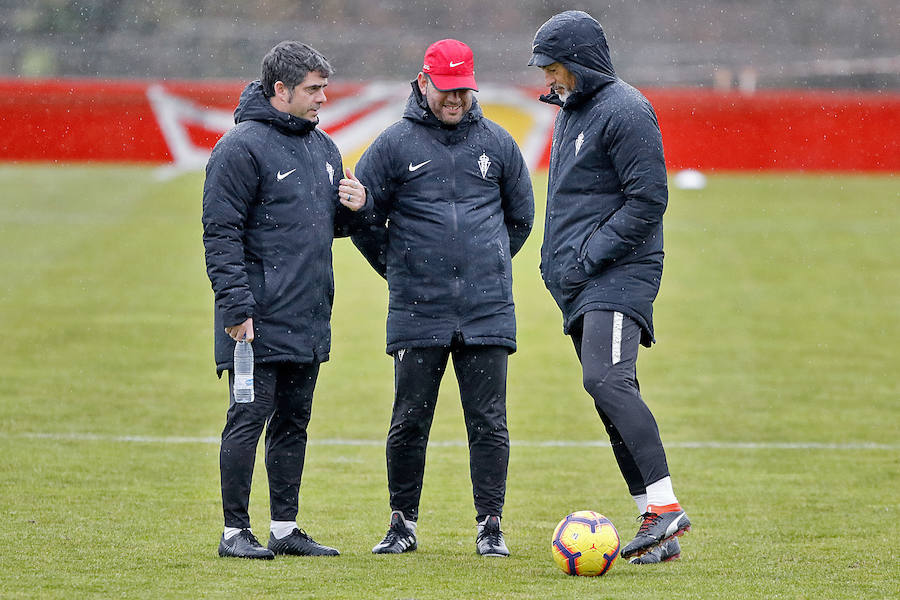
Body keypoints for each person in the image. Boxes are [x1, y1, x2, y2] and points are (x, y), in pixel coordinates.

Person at [351, 39, 534, 557]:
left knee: (489, 422)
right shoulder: (391, 145)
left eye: (463, 91)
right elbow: (361, 215)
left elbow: (520, 220)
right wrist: (397, 266)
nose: (455, 100)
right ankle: (402, 523)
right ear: (423, 82)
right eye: (446, 90)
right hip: (416, 307)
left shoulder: (498, 144)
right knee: (410, 418)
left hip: (487, 308)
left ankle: (491, 525)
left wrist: (487, 264)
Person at [528, 11, 691, 564]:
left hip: (618, 274)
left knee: (606, 381)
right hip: (581, 281)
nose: (548, 81)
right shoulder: (574, 111)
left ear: (580, 63)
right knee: (608, 396)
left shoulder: (625, 110)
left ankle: (665, 508)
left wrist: (589, 256)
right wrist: (558, 266)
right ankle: (657, 528)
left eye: (555, 69)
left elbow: (648, 200)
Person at [202, 40, 369, 560]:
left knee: (294, 422)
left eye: (324, 88)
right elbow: (220, 231)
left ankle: (284, 528)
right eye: (314, 89)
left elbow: (326, 227)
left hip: (308, 314)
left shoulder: (324, 148)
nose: (324, 98)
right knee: (248, 418)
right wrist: (235, 308)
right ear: (281, 90)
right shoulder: (239, 147)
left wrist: (357, 208)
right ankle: (235, 533)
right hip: (255, 318)